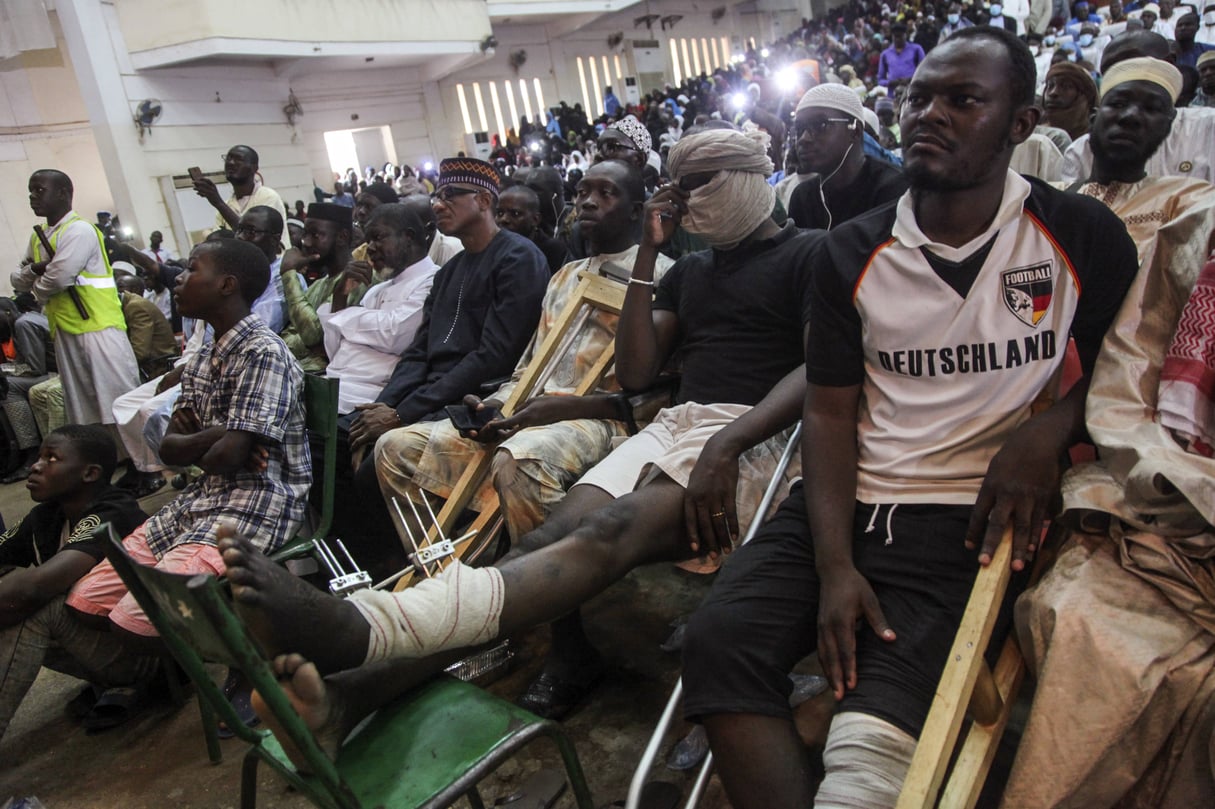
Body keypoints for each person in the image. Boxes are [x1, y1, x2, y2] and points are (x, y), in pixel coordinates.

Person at [215, 125, 823, 746]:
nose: (682, 202)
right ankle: (359, 689)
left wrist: (728, 443)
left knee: (607, 531)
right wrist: (649, 253)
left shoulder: (810, 253)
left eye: (695, 187)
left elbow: (819, 367)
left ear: (746, 180)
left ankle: (367, 629)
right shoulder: (688, 271)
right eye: (675, 188)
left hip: (757, 434)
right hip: (676, 426)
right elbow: (639, 370)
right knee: (547, 537)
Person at [679, 27, 1140, 809]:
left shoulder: (1080, 234)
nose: (930, 114)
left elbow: (1112, 369)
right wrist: (833, 565)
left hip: (965, 519)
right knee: (714, 644)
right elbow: (827, 413)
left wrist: (1049, 427)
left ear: (1019, 124)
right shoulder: (849, 251)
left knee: (867, 739)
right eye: (918, 97)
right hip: (847, 502)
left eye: (963, 100)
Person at [1002, 58, 1215, 809]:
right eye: (1118, 105)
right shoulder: (1046, 201)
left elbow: (1154, 330)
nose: (1129, 120)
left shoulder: (1188, 203)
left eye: (1149, 112)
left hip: (1123, 386)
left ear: (1167, 129)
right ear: (1092, 116)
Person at [374, 160, 671, 569]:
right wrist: (495, 403)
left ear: (637, 210)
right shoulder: (566, 274)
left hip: (601, 419)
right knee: (394, 448)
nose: (587, 202)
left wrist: (564, 409)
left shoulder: (663, 275)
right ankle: (450, 573)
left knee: (521, 461)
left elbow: (653, 392)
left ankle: (540, 596)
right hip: (531, 409)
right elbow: (529, 364)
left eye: (605, 193)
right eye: (582, 191)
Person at [67, 238, 311, 640]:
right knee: (87, 602)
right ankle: (174, 662)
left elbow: (225, 459)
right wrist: (226, 432)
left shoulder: (263, 352)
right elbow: (170, 449)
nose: (179, 279)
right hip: (200, 500)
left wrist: (210, 439)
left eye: (193, 269)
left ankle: (233, 666)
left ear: (226, 285)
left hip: (253, 505)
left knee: (133, 622)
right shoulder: (202, 357)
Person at [0, 425, 150, 739]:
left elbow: (33, 589)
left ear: (90, 473)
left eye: (51, 458)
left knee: (33, 607)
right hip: (101, 645)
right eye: (38, 457)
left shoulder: (114, 512)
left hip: (149, 654)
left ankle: (133, 684)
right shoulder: (46, 516)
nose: (36, 466)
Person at [11, 170, 140, 428]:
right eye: (30, 191)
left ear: (63, 193)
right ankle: (112, 461)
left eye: (39, 190)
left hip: (98, 327)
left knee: (119, 401)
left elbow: (59, 277)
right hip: (64, 329)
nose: (32, 197)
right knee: (85, 408)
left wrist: (35, 286)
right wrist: (35, 270)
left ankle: (148, 465)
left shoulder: (79, 230)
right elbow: (17, 279)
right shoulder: (38, 236)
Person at [323, 200, 440, 414]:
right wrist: (339, 297)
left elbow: (395, 335)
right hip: (332, 384)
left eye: (378, 237)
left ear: (409, 236)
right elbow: (335, 351)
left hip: (366, 397)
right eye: (368, 240)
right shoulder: (376, 290)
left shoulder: (434, 281)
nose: (370, 248)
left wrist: (349, 315)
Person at [1063, 30, 1215, 182]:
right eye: (1110, 71)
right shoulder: (1082, 151)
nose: (1122, 77)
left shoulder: (1208, 126)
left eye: (1132, 65)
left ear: (1169, 64)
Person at [787, 84, 908, 232]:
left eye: (820, 125)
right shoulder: (802, 197)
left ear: (855, 132)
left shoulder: (893, 189)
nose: (803, 138)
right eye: (799, 129)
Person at [278, 203, 364, 372]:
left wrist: (288, 273)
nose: (307, 243)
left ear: (342, 237)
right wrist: (313, 344)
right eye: (305, 234)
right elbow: (287, 338)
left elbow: (312, 335)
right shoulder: (318, 284)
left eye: (315, 235)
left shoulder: (357, 279)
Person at [192, 145, 288, 246]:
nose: (231, 163)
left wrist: (218, 202)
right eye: (228, 158)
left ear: (254, 168)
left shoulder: (268, 196)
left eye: (239, 159)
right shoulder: (227, 205)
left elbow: (252, 238)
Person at [495, 185, 571, 275]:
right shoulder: (493, 245)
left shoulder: (553, 250)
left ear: (535, 219)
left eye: (515, 214)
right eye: (500, 213)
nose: (504, 219)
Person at [1042, 61, 1099, 140]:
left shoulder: (1098, 139)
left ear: (1084, 97)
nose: (1053, 92)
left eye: (1066, 86)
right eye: (1050, 86)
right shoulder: (1037, 136)